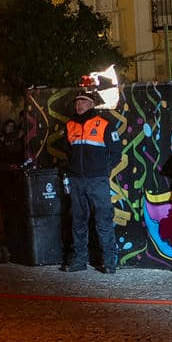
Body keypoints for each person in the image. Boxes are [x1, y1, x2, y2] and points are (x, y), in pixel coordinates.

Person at [60, 88, 120, 274]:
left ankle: (109, 262)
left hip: (97, 181)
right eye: (77, 102)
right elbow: (68, 152)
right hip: (77, 181)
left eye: (83, 101)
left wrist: (103, 172)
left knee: (103, 220)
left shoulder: (104, 124)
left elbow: (116, 153)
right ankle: (80, 261)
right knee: (78, 221)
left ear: (92, 104)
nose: (79, 105)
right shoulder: (69, 125)